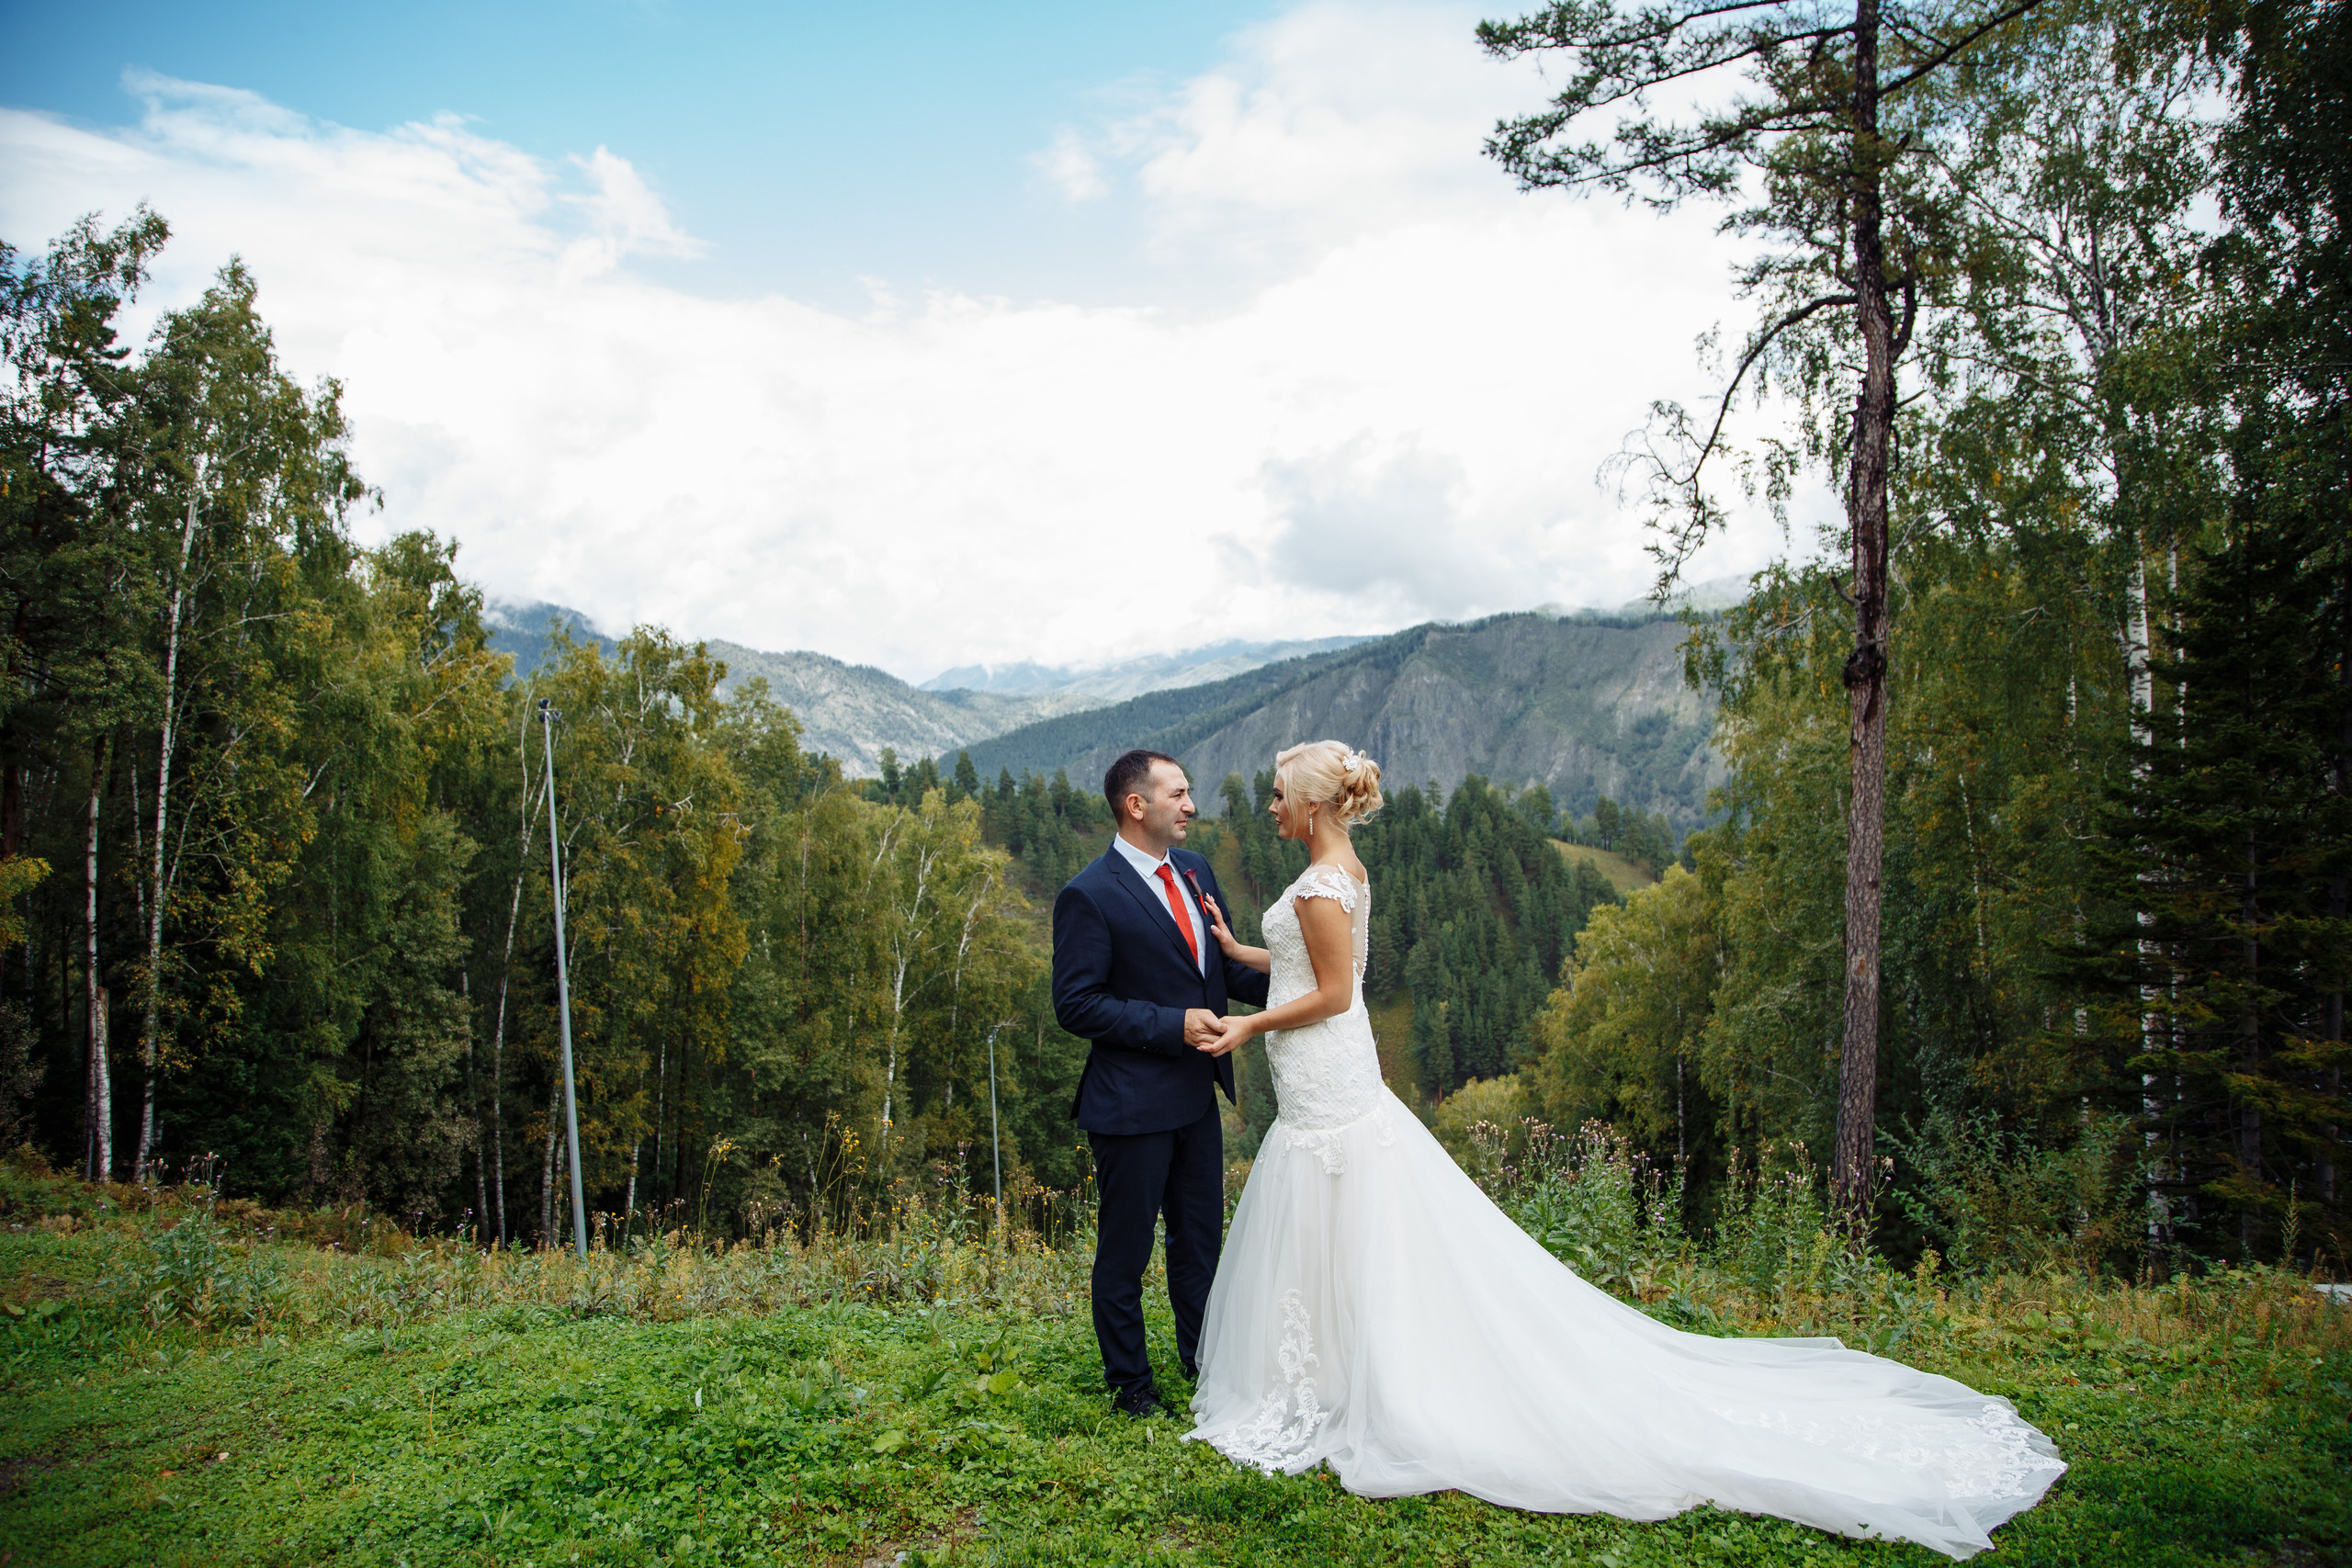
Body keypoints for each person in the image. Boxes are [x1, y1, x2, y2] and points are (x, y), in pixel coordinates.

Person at [1182, 739, 2067, 1562]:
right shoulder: (1333, 875)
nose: (1266, 806)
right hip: (1322, 1079)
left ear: (1306, 803)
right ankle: (1341, 1371)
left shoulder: (1321, 883)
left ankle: (1377, 1382)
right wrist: (1238, 951)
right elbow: (1309, 963)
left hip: (1330, 1071)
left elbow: (1336, 993)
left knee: (1356, 1214)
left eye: (1274, 795)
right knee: (1345, 1221)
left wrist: (1251, 1019)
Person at [1051, 749, 1270, 1418]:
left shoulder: (1198, 871)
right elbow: (1076, 1004)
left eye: (1189, 792)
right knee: (1126, 1252)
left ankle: (1204, 1366)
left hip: (1196, 1099)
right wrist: (1172, 1024)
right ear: (1136, 804)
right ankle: (1131, 1387)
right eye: (1177, 793)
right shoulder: (1089, 894)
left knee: (1200, 1242)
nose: (1191, 805)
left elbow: (1221, 972)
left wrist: (1308, 982)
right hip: (1128, 1104)